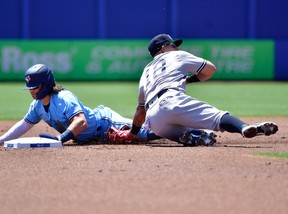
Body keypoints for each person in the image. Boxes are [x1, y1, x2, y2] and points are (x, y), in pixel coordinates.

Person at [119, 34, 278, 146]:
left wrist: (132, 134)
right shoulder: (177, 56)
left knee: (186, 133)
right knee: (218, 117)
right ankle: (244, 127)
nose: (176, 47)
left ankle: (196, 136)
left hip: (155, 120)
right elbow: (210, 69)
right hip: (171, 100)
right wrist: (188, 79)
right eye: (173, 45)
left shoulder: (145, 73)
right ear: (162, 48)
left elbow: (140, 112)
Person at [0, 64, 161, 145]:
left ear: (46, 83)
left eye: (35, 87)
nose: (32, 91)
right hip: (94, 137)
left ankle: (180, 128)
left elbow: (81, 122)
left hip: (105, 123)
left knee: (146, 133)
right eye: (29, 88)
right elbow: (23, 125)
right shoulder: (37, 106)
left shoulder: (64, 98)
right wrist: (1, 140)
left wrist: (60, 139)